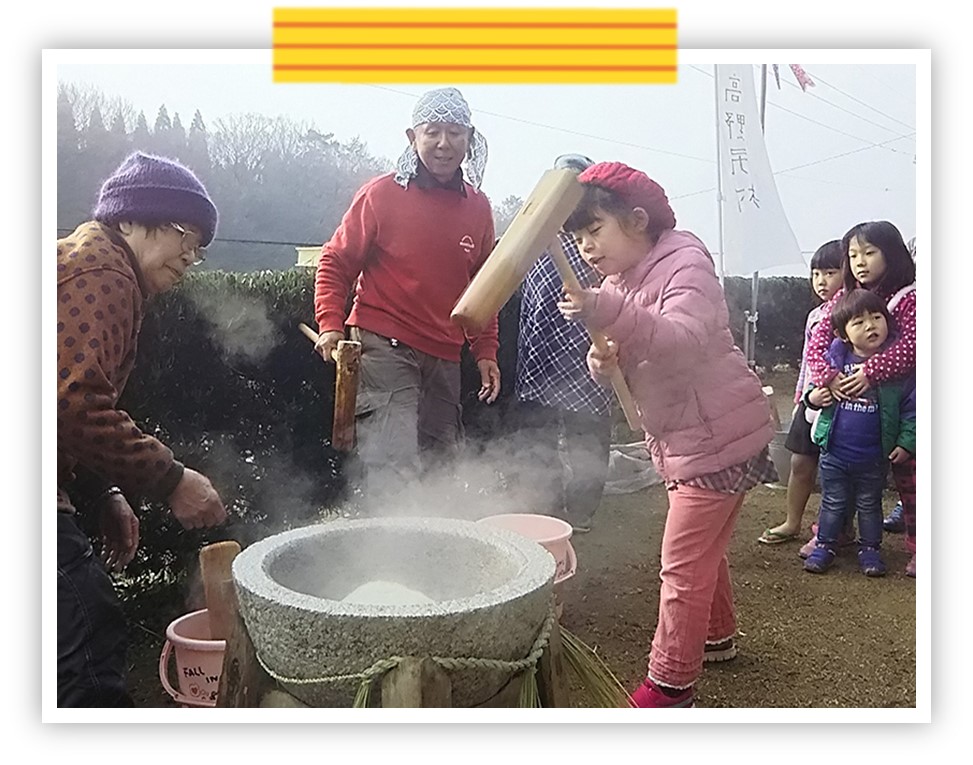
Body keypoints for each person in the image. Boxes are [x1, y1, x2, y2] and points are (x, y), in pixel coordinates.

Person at [557, 162, 776, 708]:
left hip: (714, 436)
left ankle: (671, 684)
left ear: (637, 220)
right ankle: (718, 635)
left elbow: (679, 340)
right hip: (688, 438)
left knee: (682, 563)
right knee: (707, 548)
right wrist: (602, 362)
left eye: (595, 230)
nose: (586, 246)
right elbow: (629, 349)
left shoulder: (685, 260)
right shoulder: (619, 280)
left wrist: (607, 310)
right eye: (578, 237)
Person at [57, 152, 228, 706]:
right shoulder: (104, 271)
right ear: (129, 219)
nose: (189, 254)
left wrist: (100, 490)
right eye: (184, 232)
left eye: (199, 245)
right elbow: (75, 402)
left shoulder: (94, 263)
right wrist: (172, 479)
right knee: (84, 622)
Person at [313, 87, 500, 503]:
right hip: (384, 345)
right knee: (393, 463)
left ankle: (433, 558)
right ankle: (387, 556)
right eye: (432, 131)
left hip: (445, 355)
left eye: (455, 132)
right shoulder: (380, 195)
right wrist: (329, 324)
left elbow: (484, 287)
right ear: (411, 136)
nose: (443, 143)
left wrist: (485, 351)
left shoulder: (479, 208)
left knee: (442, 462)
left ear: (470, 139)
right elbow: (336, 261)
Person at [804, 221, 917, 576]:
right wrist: (829, 376)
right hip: (850, 411)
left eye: (870, 253)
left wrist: (869, 372)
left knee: (910, 481)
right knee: (839, 477)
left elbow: (912, 348)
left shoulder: (910, 296)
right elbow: (820, 343)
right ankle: (833, 535)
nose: (860, 262)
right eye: (853, 255)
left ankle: (919, 546)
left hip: (900, 402)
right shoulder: (843, 297)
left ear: (892, 253)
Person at [512, 153, 612, 533]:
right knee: (537, 430)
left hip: (584, 346)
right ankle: (547, 506)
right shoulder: (538, 227)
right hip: (541, 346)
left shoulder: (597, 229)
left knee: (587, 432)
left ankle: (583, 510)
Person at [757, 241, 844, 545]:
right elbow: (808, 359)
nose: (821, 280)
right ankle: (792, 522)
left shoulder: (856, 311)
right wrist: (800, 398)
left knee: (839, 471)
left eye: (831, 272)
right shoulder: (814, 316)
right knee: (800, 463)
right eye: (816, 273)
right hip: (810, 400)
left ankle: (838, 531)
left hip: (841, 404)